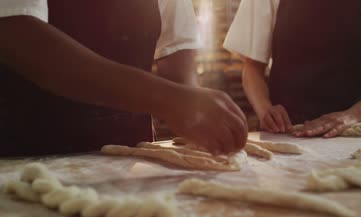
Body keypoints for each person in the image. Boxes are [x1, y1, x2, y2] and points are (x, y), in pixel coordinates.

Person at [0, 0, 248, 157]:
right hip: (28, 151)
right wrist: (166, 98)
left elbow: (176, 47)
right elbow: (15, 32)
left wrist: (198, 112)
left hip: (129, 156)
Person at [224, 0, 361, 138]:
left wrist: (352, 115)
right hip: (284, 132)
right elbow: (252, 66)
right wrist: (264, 109)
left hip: (350, 131)